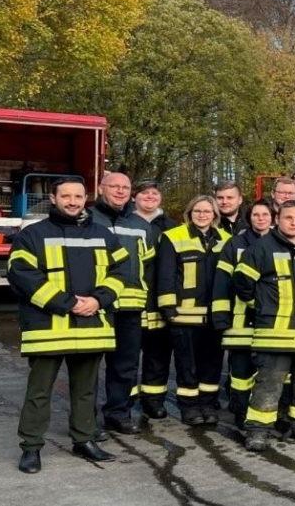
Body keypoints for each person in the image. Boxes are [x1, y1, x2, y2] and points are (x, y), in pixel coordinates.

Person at [8, 177, 126, 473]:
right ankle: (31, 447)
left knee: (86, 390)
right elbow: (21, 275)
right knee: (39, 392)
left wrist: (98, 300)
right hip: (47, 328)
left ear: (86, 198)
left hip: (91, 325)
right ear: (53, 198)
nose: (72, 201)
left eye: (78, 196)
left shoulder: (103, 234)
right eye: (66, 196)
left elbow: (122, 272)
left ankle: (84, 440)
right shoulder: (32, 235)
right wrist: (68, 303)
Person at [233, 201, 295, 451]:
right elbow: (242, 284)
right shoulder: (261, 248)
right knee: (268, 384)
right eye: (288, 218)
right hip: (275, 333)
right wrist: (263, 306)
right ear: (277, 219)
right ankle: (258, 430)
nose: (294, 222)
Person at [156, 196, 232, 425]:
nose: (202, 215)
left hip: (214, 314)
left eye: (207, 211)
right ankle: (189, 407)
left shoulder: (227, 240)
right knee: (186, 365)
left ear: (215, 215)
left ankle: (208, 404)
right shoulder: (173, 236)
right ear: (189, 213)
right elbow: (165, 274)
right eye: (197, 211)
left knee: (212, 364)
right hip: (183, 315)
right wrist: (168, 307)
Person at [88, 172, 153, 435]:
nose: (120, 191)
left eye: (125, 187)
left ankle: (118, 413)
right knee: (88, 367)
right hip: (95, 305)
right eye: (114, 186)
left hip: (131, 307)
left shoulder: (141, 225)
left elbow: (149, 267)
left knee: (125, 365)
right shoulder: (87, 219)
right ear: (101, 188)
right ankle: (86, 420)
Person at [211, 200, 275, 428]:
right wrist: (220, 316)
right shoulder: (235, 244)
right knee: (240, 372)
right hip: (240, 320)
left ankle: (269, 414)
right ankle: (240, 413)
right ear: (249, 219)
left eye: (265, 214)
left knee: (270, 371)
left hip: (272, 321)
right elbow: (222, 282)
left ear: (273, 217)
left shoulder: (280, 243)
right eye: (256, 215)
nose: (261, 218)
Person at [132, 180, 178, 420]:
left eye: (154, 193)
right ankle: (124, 402)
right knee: (127, 356)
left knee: (158, 355)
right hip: (130, 300)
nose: (149, 197)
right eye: (144, 193)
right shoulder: (125, 224)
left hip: (160, 300)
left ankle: (153, 400)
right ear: (134, 197)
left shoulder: (172, 227)